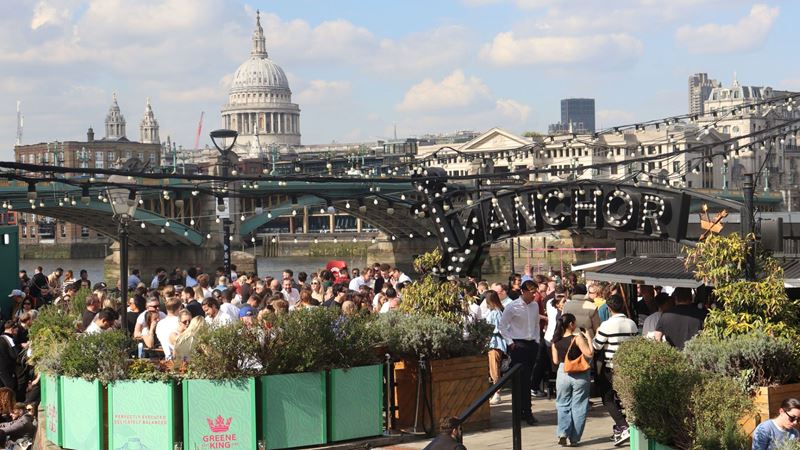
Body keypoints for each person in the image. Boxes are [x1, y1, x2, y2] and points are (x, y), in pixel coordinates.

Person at [592, 294, 638, 446]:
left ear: (609, 308)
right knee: (625, 398)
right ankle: (623, 427)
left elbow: (597, 346)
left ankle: (623, 426)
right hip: (628, 365)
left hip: (611, 366)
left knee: (608, 398)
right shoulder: (632, 323)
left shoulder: (606, 325)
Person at [499, 279, 540, 425]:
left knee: (527, 380)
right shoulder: (512, 306)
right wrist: (510, 343)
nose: (534, 295)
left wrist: (537, 340)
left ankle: (526, 411)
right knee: (519, 381)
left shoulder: (535, 305)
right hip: (518, 345)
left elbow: (536, 324)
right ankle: (521, 412)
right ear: (523, 292)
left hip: (531, 344)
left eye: (535, 292)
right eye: (532, 292)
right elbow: (502, 326)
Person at [551, 313, 593, 447]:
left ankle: (563, 432)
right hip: (579, 374)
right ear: (571, 324)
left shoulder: (555, 341)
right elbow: (589, 353)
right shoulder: (577, 338)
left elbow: (556, 360)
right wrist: (589, 338)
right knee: (579, 406)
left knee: (562, 404)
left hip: (563, 372)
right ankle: (574, 438)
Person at [483, 291, 507, 405]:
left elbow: (499, 328)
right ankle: (495, 392)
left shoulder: (496, 313)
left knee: (494, 369)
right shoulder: (493, 311)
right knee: (493, 369)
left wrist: (486, 330)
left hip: (495, 344)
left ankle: (497, 392)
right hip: (492, 343)